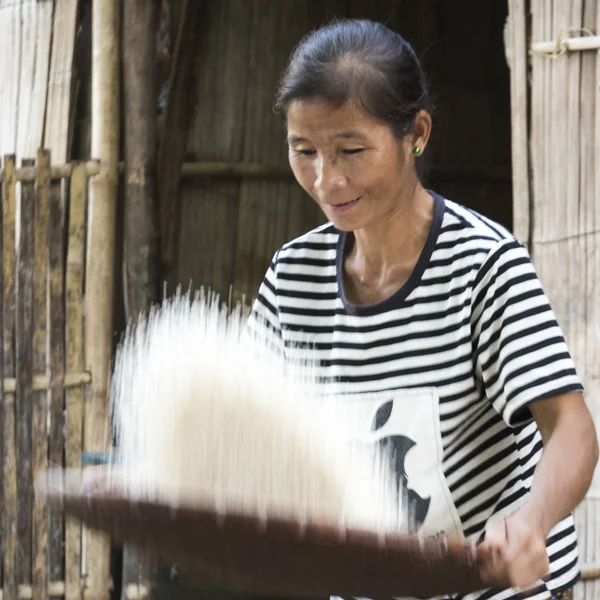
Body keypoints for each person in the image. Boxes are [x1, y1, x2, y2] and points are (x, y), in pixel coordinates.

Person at [246, 18, 599, 600]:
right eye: (303, 150)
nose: (326, 178)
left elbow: (570, 427)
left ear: (417, 134)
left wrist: (531, 522)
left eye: (350, 151)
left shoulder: (483, 265)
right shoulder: (292, 279)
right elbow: (249, 430)